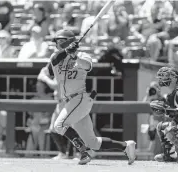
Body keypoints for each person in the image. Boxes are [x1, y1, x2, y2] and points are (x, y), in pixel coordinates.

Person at [49, 29, 136, 165]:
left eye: (61, 41)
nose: (58, 44)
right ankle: (126, 146)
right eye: (57, 42)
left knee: (59, 125)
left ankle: (84, 152)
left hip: (80, 98)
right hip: (70, 102)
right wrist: (67, 51)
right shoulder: (57, 57)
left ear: (70, 41)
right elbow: (52, 63)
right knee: (93, 142)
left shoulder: (83, 55)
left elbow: (87, 66)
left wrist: (75, 56)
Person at [37, 66, 75, 160]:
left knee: (69, 128)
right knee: (54, 129)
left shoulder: (64, 70)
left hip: (67, 102)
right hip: (62, 103)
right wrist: (44, 73)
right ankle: (65, 153)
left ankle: (75, 152)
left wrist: (44, 77)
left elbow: (55, 85)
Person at [25, 80, 52, 156]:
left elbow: (51, 115)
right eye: (37, 86)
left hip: (44, 127)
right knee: (29, 152)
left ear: (44, 87)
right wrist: (29, 123)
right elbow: (30, 115)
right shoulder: (33, 100)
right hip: (34, 127)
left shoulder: (49, 99)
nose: (38, 88)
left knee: (44, 153)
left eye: (40, 86)